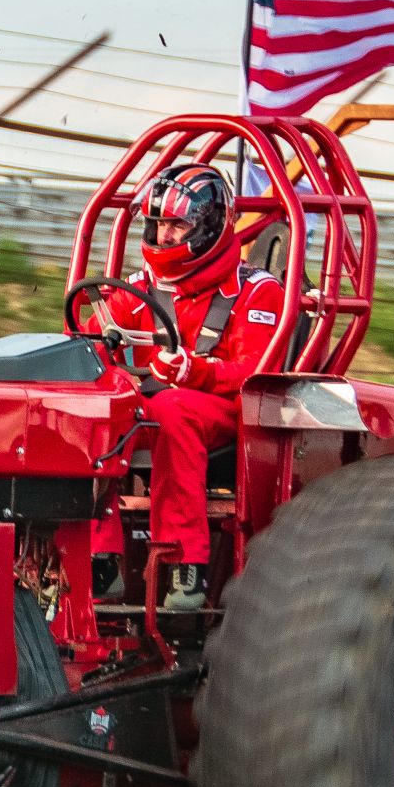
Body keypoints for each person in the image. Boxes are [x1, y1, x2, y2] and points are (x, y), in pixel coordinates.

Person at [90, 162, 285, 611]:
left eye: (177, 225)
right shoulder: (139, 286)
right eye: (158, 225)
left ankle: (186, 566)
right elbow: (92, 336)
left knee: (172, 409)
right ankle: (98, 557)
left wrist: (196, 371)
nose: (164, 237)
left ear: (210, 226)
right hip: (161, 403)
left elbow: (258, 377)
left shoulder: (257, 292)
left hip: (233, 415)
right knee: (96, 405)